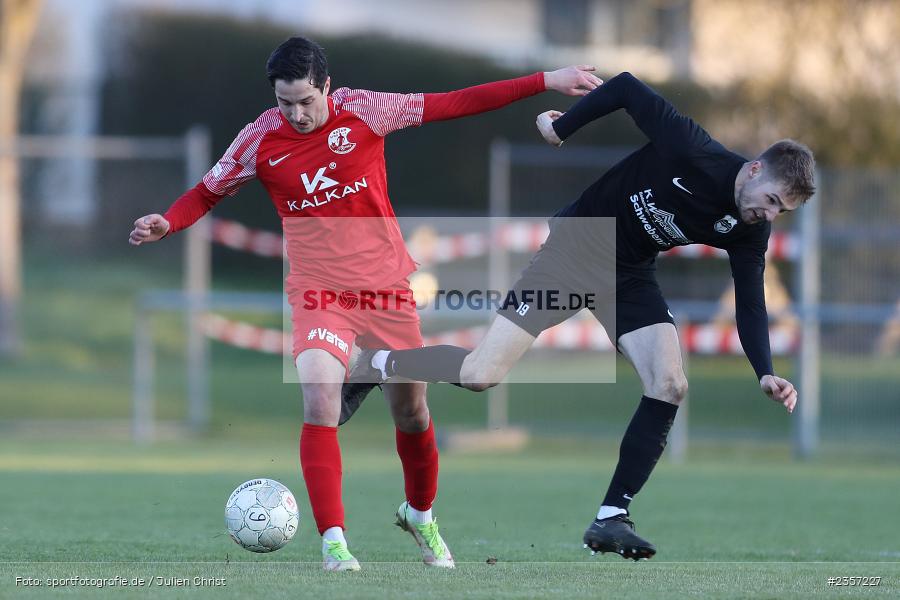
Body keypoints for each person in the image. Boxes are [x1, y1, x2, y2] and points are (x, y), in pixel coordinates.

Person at [128, 36, 601, 571]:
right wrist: (168, 221)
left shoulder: (364, 109)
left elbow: (456, 101)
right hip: (318, 290)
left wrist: (544, 80)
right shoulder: (260, 138)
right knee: (320, 401)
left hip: (386, 289)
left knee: (413, 411)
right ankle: (334, 544)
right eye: (286, 103)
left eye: (306, 100)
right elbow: (208, 191)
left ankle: (420, 515)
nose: (297, 114)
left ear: (326, 86)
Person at [340, 71, 814, 560]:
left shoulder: (748, 229)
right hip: (574, 254)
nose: (770, 214)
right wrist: (563, 127)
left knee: (670, 382)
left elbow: (751, 300)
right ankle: (374, 364)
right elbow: (628, 86)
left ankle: (611, 518)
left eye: (783, 211)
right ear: (755, 170)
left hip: (627, 277)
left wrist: (765, 372)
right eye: (772, 200)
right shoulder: (692, 148)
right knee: (482, 374)